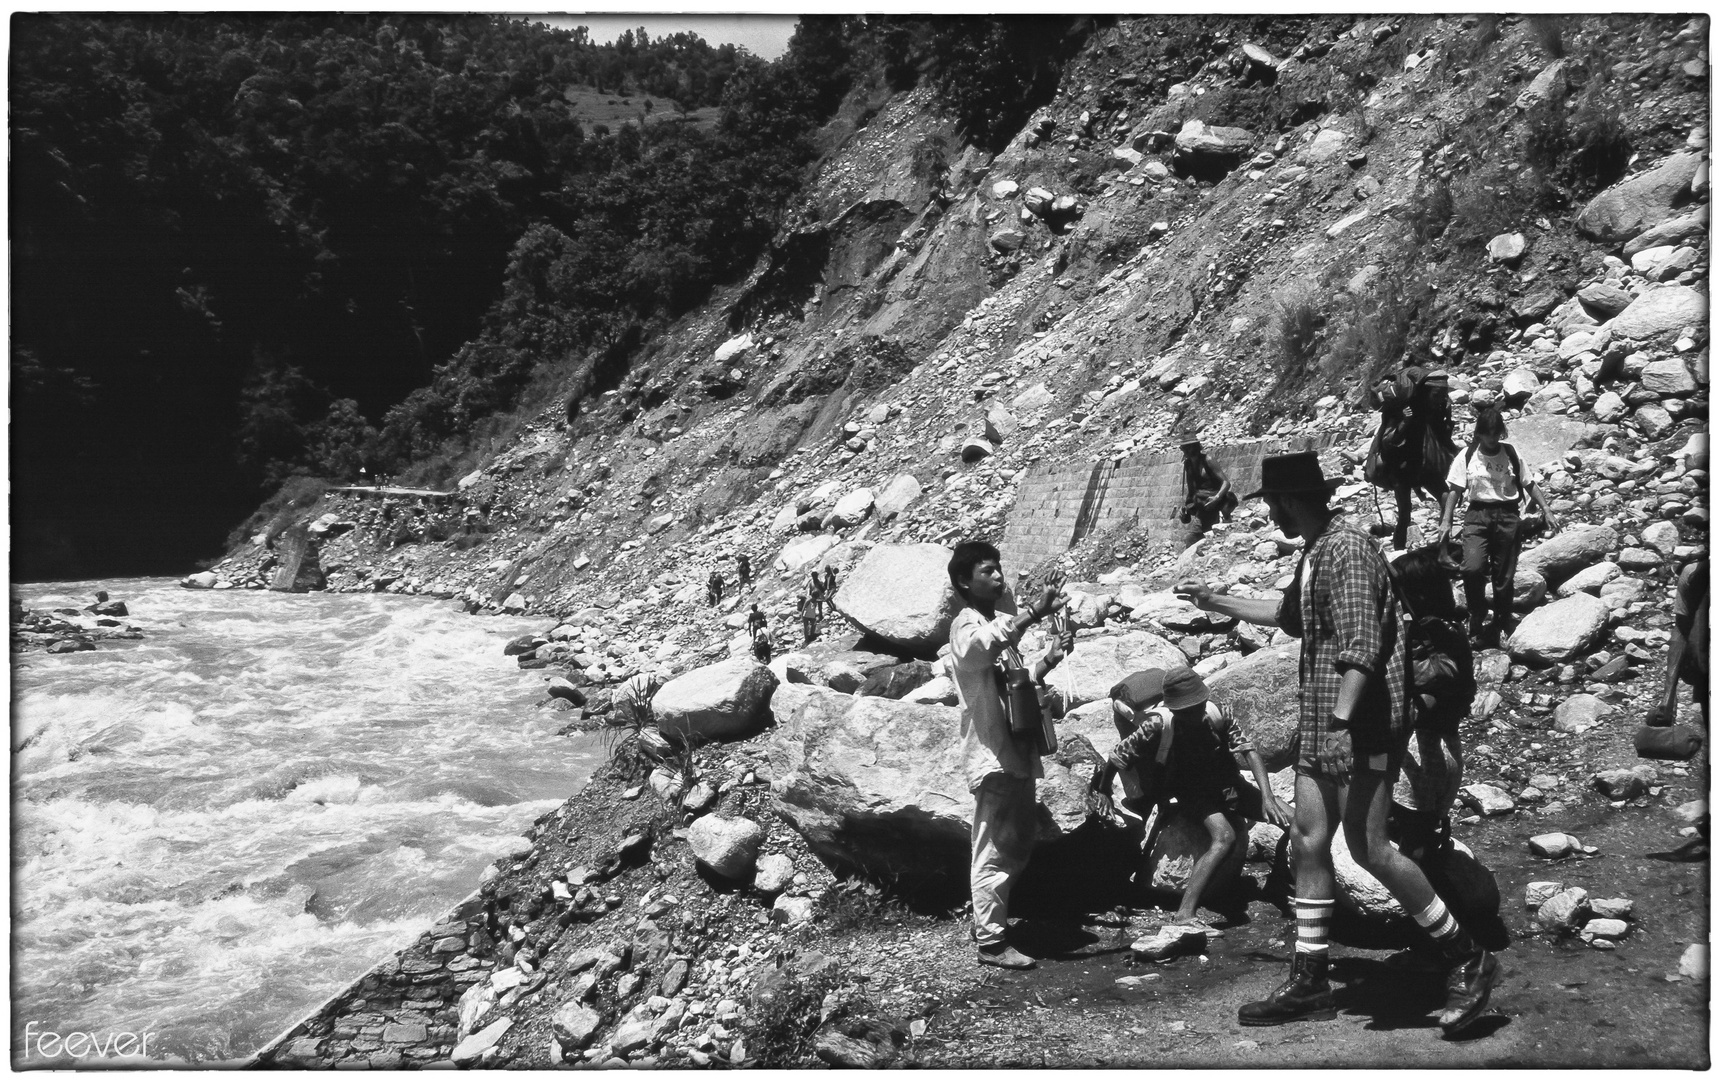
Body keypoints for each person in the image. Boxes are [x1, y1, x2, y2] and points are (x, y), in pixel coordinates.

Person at [1175, 450, 1499, 1037]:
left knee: (1370, 847)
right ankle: (1310, 977)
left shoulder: (1347, 550)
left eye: (1273, 502)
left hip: (1359, 726)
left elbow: (1364, 644)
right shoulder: (1316, 550)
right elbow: (1289, 615)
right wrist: (1215, 600)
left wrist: (1344, 718)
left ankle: (1468, 957)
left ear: (1291, 500)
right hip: (1326, 725)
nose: (1271, 512)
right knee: (1307, 839)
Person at [948, 540, 1071, 970]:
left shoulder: (996, 622)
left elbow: (1013, 679)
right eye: (987, 571)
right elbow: (978, 650)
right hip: (992, 754)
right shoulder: (964, 627)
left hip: (1015, 753)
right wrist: (1033, 612)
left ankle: (990, 922)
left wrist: (1047, 663)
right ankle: (992, 943)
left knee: (1013, 846)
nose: (998, 576)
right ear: (965, 581)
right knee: (994, 851)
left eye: (999, 568)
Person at [1089, 666, 1292, 927]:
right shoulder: (1156, 724)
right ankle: (1185, 913)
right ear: (1174, 709)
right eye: (1187, 711)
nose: (1195, 714)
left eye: (1198, 707)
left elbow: (1249, 752)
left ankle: (1279, 884)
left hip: (1228, 784)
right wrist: (1104, 791)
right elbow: (1117, 756)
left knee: (1296, 821)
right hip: (1192, 791)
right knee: (1224, 838)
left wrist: (1267, 797)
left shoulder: (1218, 714)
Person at [1386, 545, 1510, 953]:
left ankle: (1437, 941)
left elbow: (1433, 694)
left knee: (1414, 849)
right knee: (1418, 839)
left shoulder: (1437, 639)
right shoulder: (1440, 631)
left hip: (1424, 756)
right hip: (1434, 750)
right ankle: (1437, 930)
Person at [1435, 402, 1563, 648]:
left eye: (1496, 434)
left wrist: (1546, 509)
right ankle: (1477, 611)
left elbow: (1529, 483)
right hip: (1477, 516)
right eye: (1487, 434)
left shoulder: (1511, 453)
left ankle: (1502, 619)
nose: (1492, 439)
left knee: (1504, 575)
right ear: (1479, 432)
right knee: (1472, 567)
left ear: (1501, 432)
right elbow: (1454, 490)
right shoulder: (1468, 455)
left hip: (1507, 516)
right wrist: (1446, 521)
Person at [1365, 366, 1459, 550]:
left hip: (1425, 465)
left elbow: (1443, 437)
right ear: (1426, 392)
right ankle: (1398, 554)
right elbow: (1388, 442)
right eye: (1437, 394)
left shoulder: (1435, 410)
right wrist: (1405, 422)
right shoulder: (1405, 408)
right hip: (1401, 468)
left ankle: (1443, 550)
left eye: (1443, 394)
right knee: (1405, 515)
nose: (1441, 398)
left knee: (1447, 500)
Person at [1175, 439, 1238, 548]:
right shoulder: (1188, 465)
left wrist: (1216, 498)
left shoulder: (1208, 460)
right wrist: (1186, 508)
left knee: (1215, 537)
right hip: (1202, 507)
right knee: (1191, 539)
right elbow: (1192, 490)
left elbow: (1226, 483)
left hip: (1216, 503)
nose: (1183, 450)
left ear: (1193, 446)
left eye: (1185, 447)